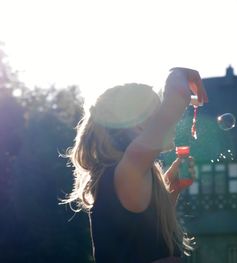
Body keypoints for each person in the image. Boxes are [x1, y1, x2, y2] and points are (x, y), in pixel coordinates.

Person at [60, 67, 208, 263]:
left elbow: (145, 239)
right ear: (137, 124)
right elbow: (176, 98)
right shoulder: (128, 170)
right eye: (158, 113)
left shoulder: (127, 173)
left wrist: (171, 191)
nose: (168, 121)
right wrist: (177, 73)